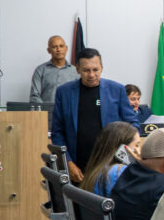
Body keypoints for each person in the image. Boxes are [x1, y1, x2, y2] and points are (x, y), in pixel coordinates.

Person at [51, 48, 139, 183]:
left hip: (112, 166)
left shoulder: (117, 90)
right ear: (77, 69)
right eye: (86, 70)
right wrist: (68, 163)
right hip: (77, 166)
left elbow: (133, 126)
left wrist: (124, 154)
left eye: (95, 69)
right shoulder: (64, 92)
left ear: (102, 68)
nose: (91, 75)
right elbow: (57, 133)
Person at [78, 121, 140, 197]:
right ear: (123, 149)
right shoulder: (119, 171)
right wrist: (141, 166)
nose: (139, 150)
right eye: (137, 145)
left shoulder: (97, 170)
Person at [29, 36, 80, 103]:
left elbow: (80, 94)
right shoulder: (40, 70)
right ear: (49, 50)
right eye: (54, 47)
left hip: (68, 109)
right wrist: (45, 108)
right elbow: (34, 96)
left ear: (66, 48)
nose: (58, 49)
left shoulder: (75, 71)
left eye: (61, 46)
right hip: (46, 109)